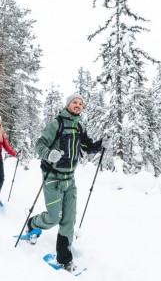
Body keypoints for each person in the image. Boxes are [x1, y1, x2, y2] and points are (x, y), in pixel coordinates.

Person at [27, 94, 111, 272]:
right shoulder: (57, 123)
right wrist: (48, 154)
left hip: (70, 179)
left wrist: (102, 145)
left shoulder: (79, 126)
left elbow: (87, 147)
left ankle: (64, 259)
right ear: (68, 105)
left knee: (69, 220)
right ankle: (33, 223)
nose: (78, 105)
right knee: (53, 218)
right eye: (75, 102)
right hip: (52, 178)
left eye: (81, 103)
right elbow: (39, 144)